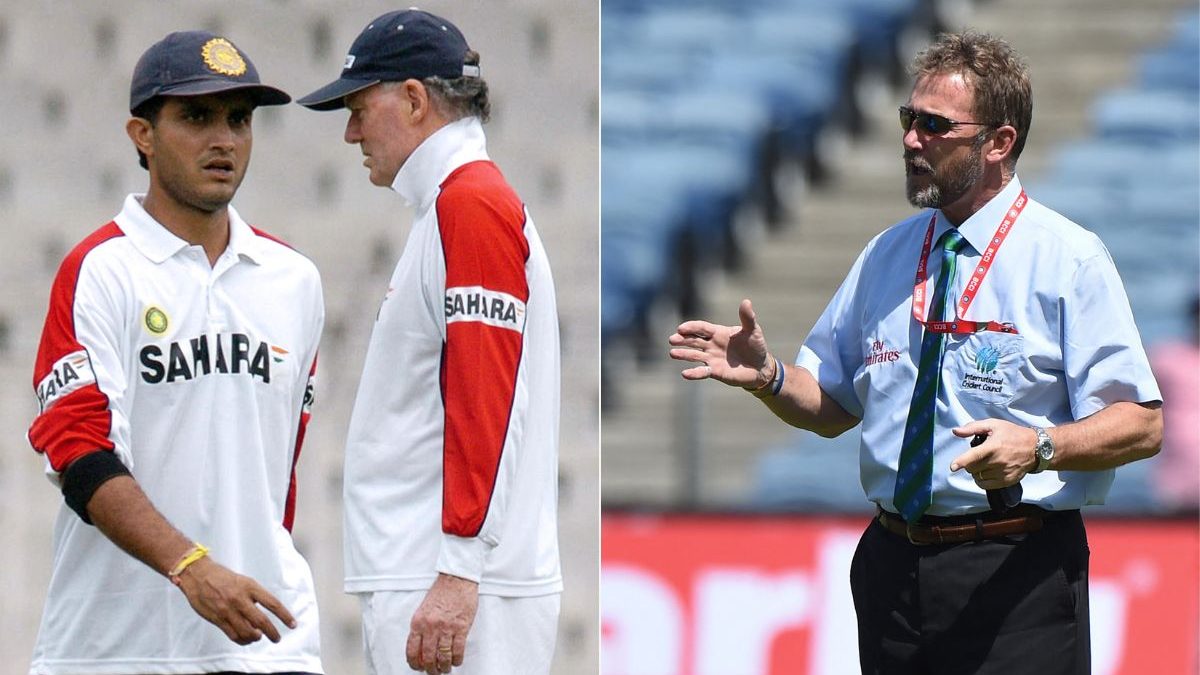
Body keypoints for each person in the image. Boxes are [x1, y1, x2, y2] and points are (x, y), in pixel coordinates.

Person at [669, 31, 1162, 674]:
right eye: (909, 119)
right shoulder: (886, 254)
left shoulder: (1067, 258)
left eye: (934, 125)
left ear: (998, 142)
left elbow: (1143, 422)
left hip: (1016, 569)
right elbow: (833, 405)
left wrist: (1038, 447)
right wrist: (767, 376)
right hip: (893, 568)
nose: (910, 140)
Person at [27, 31, 324, 675]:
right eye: (196, 117)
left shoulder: (295, 280)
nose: (224, 140)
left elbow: (277, 471)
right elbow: (78, 451)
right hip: (116, 650)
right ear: (142, 134)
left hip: (269, 646)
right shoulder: (101, 271)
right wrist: (191, 568)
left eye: (239, 120)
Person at [297, 9, 561, 675]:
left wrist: (458, 570)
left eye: (359, 106)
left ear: (413, 99)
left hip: (450, 581)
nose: (352, 131)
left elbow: (487, 393)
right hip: (444, 573)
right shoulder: (454, 204)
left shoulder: (468, 204)